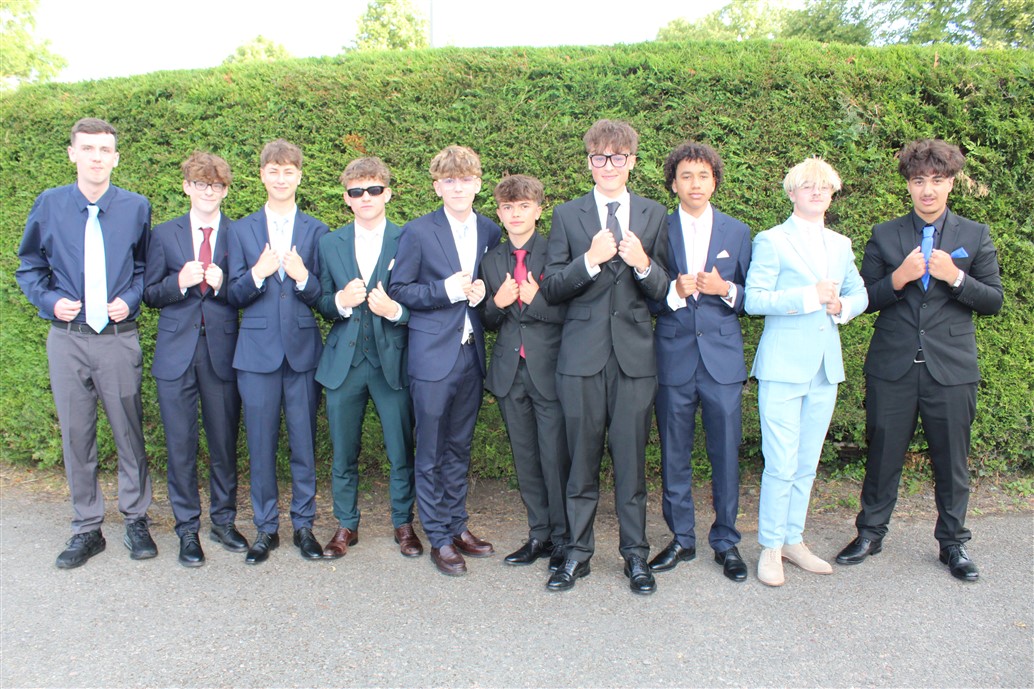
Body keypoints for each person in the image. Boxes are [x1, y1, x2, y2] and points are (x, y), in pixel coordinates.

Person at [835, 139, 1003, 582]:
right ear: (908, 185)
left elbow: (993, 301)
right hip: (893, 366)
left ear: (951, 183)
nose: (928, 189)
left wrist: (956, 277)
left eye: (937, 180)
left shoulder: (974, 235)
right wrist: (898, 278)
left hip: (951, 368)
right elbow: (864, 298)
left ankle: (953, 543)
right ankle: (870, 533)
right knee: (882, 454)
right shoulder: (885, 234)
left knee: (952, 461)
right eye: (918, 180)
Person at [16, 117, 157, 568]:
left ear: (116, 158)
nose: (97, 157)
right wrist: (49, 301)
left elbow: (145, 269)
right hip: (68, 339)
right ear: (73, 153)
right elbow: (29, 266)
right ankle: (86, 527)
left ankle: (136, 519)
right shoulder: (50, 204)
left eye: (105, 150)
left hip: (118, 338)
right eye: (88, 149)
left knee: (128, 431)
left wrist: (130, 299)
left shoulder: (135, 207)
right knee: (77, 434)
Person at [539, 119, 669, 595]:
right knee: (581, 462)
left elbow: (665, 292)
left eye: (617, 157)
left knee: (631, 464)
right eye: (599, 157)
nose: (608, 165)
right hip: (581, 358)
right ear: (589, 161)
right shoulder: (567, 215)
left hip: (634, 360)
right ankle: (577, 554)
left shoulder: (654, 214)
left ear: (632, 161)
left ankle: (635, 555)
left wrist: (643, 264)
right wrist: (589, 260)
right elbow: (552, 288)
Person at [744, 157, 867, 587]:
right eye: (808, 185)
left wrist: (842, 306)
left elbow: (859, 293)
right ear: (792, 192)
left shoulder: (841, 244)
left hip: (824, 368)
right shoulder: (772, 240)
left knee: (806, 463)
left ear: (832, 194)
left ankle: (793, 540)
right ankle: (770, 546)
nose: (817, 192)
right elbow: (755, 299)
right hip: (782, 367)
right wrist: (809, 296)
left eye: (824, 186)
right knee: (780, 463)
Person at [388, 145, 501, 576]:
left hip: (471, 353)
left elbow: (490, 286)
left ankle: (457, 526)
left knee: (459, 447)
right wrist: (446, 290)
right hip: (432, 357)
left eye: (465, 180)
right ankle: (437, 536)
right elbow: (400, 289)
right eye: (449, 181)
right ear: (437, 186)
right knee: (431, 449)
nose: (457, 188)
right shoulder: (417, 232)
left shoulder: (490, 230)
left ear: (477, 184)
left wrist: (482, 294)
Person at [648, 142, 752, 583]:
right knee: (674, 453)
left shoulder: (738, 232)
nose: (695, 184)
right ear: (673, 183)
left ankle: (726, 540)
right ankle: (682, 538)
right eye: (686, 176)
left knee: (725, 453)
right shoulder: (657, 228)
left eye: (703, 176)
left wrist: (724, 289)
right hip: (673, 357)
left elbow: (750, 297)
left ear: (715, 182)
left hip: (721, 363)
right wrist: (674, 292)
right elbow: (643, 295)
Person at [314, 157, 423, 559]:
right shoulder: (329, 243)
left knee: (401, 451)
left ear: (387, 194)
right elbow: (323, 302)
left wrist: (395, 311)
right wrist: (341, 302)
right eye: (357, 191)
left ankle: (403, 524)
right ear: (346, 198)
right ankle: (346, 524)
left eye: (374, 189)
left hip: (392, 363)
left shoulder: (408, 238)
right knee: (344, 452)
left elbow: (421, 302)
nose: (366, 197)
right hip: (344, 366)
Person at [227, 139, 328, 564]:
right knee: (261, 445)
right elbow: (232, 294)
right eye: (274, 171)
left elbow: (324, 297)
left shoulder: (317, 230)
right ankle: (265, 529)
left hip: (302, 353)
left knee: (304, 444)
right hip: (256, 355)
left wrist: (303, 278)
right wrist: (258, 273)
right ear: (262, 175)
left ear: (299, 176)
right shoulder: (241, 229)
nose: (281, 178)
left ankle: (304, 526)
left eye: (289, 171)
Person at [143, 152, 246, 567]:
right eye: (201, 184)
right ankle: (187, 528)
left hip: (222, 354)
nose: (209, 191)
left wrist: (223, 286)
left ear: (225, 190)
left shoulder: (239, 233)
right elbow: (150, 294)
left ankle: (223, 521)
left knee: (223, 443)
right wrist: (178, 282)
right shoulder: (163, 234)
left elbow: (247, 291)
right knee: (180, 445)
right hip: (175, 355)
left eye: (217, 185)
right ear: (187, 187)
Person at [479, 174, 570, 571]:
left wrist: (537, 300)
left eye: (523, 206)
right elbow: (487, 320)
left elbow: (572, 315)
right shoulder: (492, 260)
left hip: (548, 370)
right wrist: (497, 304)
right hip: (509, 371)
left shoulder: (556, 254)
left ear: (538, 210)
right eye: (507, 207)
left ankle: (563, 538)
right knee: (526, 457)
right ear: (499, 213)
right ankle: (539, 534)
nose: (515, 214)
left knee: (554, 457)